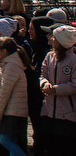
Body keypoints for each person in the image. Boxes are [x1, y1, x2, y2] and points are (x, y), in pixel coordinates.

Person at [37, 25, 76, 156]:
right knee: (49, 147)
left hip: (67, 114)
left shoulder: (73, 59)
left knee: (63, 147)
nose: (52, 39)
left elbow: (74, 84)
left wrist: (56, 90)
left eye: (55, 37)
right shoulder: (49, 56)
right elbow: (42, 75)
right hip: (48, 111)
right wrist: (44, 84)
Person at [0, 36, 30, 156]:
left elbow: (4, 92)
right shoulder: (9, 64)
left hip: (12, 111)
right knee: (12, 142)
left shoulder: (11, 66)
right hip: (13, 111)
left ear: (4, 51)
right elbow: (0, 83)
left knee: (5, 141)